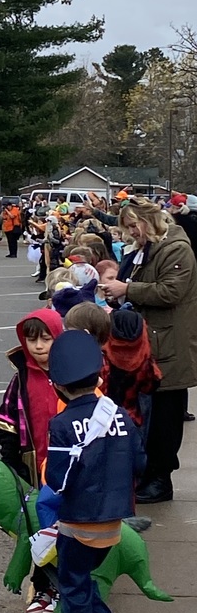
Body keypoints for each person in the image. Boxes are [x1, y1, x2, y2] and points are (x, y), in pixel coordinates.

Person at [46, 329, 143, 613]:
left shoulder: (61, 425)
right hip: (114, 523)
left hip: (78, 525)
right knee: (82, 577)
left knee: (72, 588)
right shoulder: (120, 416)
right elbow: (139, 462)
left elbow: (58, 482)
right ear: (97, 377)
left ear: (59, 386)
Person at [102, 196, 197, 502]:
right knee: (150, 417)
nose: (131, 233)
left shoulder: (177, 249)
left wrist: (127, 288)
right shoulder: (149, 249)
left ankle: (160, 480)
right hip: (153, 342)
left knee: (166, 419)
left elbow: (172, 291)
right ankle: (148, 475)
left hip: (169, 345)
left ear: (147, 221)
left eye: (133, 226)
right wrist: (119, 292)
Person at [0, 307, 64, 613]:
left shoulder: (70, 372)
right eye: (31, 340)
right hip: (34, 465)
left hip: (68, 463)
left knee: (69, 526)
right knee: (40, 527)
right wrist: (10, 460)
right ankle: (45, 586)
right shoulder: (21, 377)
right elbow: (7, 420)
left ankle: (70, 583)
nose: (38, 347)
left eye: (45, 339)